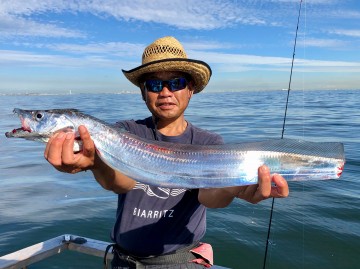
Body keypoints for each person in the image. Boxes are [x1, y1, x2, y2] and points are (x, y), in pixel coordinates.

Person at [44, 36, 289, 268]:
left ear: (190, 89)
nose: (165, 92)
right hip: (123, 260)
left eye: (176, 83)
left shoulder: (208, 142)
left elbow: (209, 197)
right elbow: (123, 183)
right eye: (153, 84)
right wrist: (97, 163)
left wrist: (233, 186)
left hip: (180, 262)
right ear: (143, 92)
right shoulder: (125, 132)